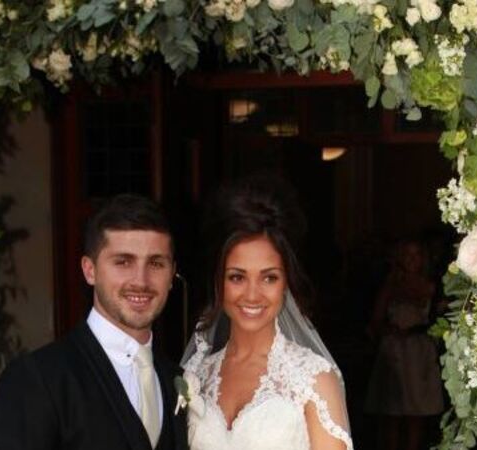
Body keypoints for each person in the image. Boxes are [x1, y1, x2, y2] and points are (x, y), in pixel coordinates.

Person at [0, 194, 188, 450]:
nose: (141, 281)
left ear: (171, 274)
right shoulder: (36, 379)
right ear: (90, 270)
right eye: (123, 262)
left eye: (156, 263)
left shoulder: (178, 379)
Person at [181, 177, 354, 450]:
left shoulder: (313, 379)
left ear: (286, 283)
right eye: (237, 277)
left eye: (269, 278)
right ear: (218, 282)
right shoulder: (198, 373)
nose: (252, 294)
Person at [364, 239, 444, 450]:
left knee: (416, 409)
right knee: (393, 410)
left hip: (419, 350)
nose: (411, 259)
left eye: (416, 255)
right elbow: (376, 320)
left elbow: (438, 317)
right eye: (407, 254)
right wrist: (390, 330)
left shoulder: (431, 284)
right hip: (396, 350)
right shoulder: (391, 285)